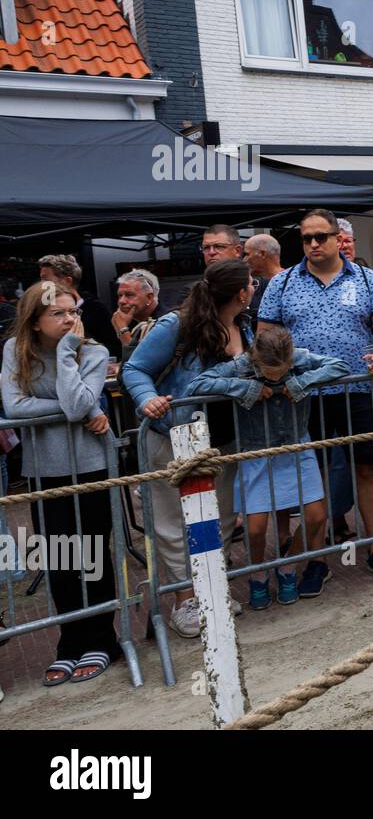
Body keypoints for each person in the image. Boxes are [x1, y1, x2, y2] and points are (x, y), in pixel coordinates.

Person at [255, 209, 373, 586]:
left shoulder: (368, 280)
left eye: (321, 236)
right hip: (303, 395)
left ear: (339, 238)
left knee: (367, 468)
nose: (314, 244)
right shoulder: (283, 283)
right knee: (312, 478)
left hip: (358, 388)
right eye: (307, 238)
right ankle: (316, 560)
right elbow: (266, 338)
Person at [120, 260, 251, 636]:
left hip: (223, 440)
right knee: (172, 522)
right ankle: (184, 599)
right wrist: (147, 399)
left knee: (221, 517)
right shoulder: (177, 324)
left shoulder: (244, 325)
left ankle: (212, 590)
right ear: (241, 292)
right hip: (172, 434)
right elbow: (135, 368)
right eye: (251, 283)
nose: (254, 288)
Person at [1, 283, 117, 685]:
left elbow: (79, 403)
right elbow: (15, 406)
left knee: (94, 556)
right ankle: (70, 643)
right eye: (58, 314)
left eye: (73, 311)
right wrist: (79, 409)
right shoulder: (16, 350)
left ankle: (103, 640)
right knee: (59, 558)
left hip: (90, 466)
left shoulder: (93, 351)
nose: (70, 320)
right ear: (35, 321)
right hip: (43, 472)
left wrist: (68, 354)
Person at [187, 326, 349, 608]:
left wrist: (300, 383)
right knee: (255, 528)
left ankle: (288, 564)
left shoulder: (299, 358)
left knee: (316, 516)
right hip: (255, 450)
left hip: (296, 445)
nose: (274, 378)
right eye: (267, 372)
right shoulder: (241, 366)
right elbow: (197, 384)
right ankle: (257, 572)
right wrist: (245, 387)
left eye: (281, 371)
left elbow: (340, 365)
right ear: (255, 359)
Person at [38, 255, 117, 361]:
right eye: (58, 313)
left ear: (67, 281)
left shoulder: (96, 309)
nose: (41, 285)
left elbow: (112, 347)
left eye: (46, 280)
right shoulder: (42, 309)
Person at [112, 269, 168, 361]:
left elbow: (142, 365)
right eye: (120, 295)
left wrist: (123, 332)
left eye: (129, 295)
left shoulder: (165, 323)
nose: (121, 301)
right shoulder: (129, 321)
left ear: (149, 298)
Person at [242, 234, 283, 322]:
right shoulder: (249, 285)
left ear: (262, 254)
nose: (244, 260)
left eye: (247, 254)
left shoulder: (292, 283)